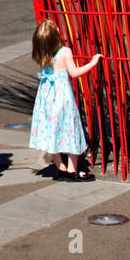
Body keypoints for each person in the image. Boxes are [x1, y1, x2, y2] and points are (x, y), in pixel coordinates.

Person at [29, 19, 101, 179]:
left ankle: (60, 167)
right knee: (70, 131)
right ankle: (72, 170)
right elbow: (74, 73)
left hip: (46, 99)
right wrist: (92, 63)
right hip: (63, 99)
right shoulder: (65, 51)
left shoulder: (42, 53)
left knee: (51, 132)